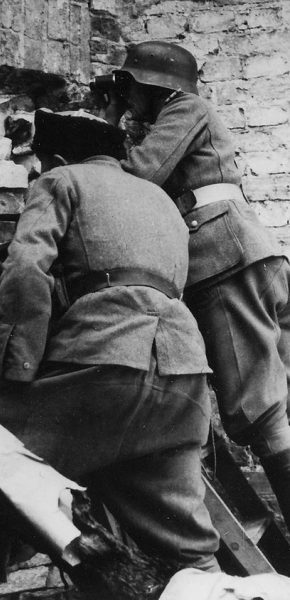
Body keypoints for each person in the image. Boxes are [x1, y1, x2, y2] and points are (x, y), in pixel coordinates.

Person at [0, 110, 219, 600]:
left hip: (103, 362)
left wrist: (15, 373)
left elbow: (27, 271)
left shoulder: (60, 181)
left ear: (54, 157)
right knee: (187, 552)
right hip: (184, 380)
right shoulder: (161, 199)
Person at [99, 40, 290, 530]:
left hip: (224, 261)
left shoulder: (186, 109)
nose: (126, 96)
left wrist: (111, 122)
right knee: (278, 399)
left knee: (258, 407)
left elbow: (141, 175)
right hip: (252, 256)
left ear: (151, 87)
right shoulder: (188, 112)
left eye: (130, 87)